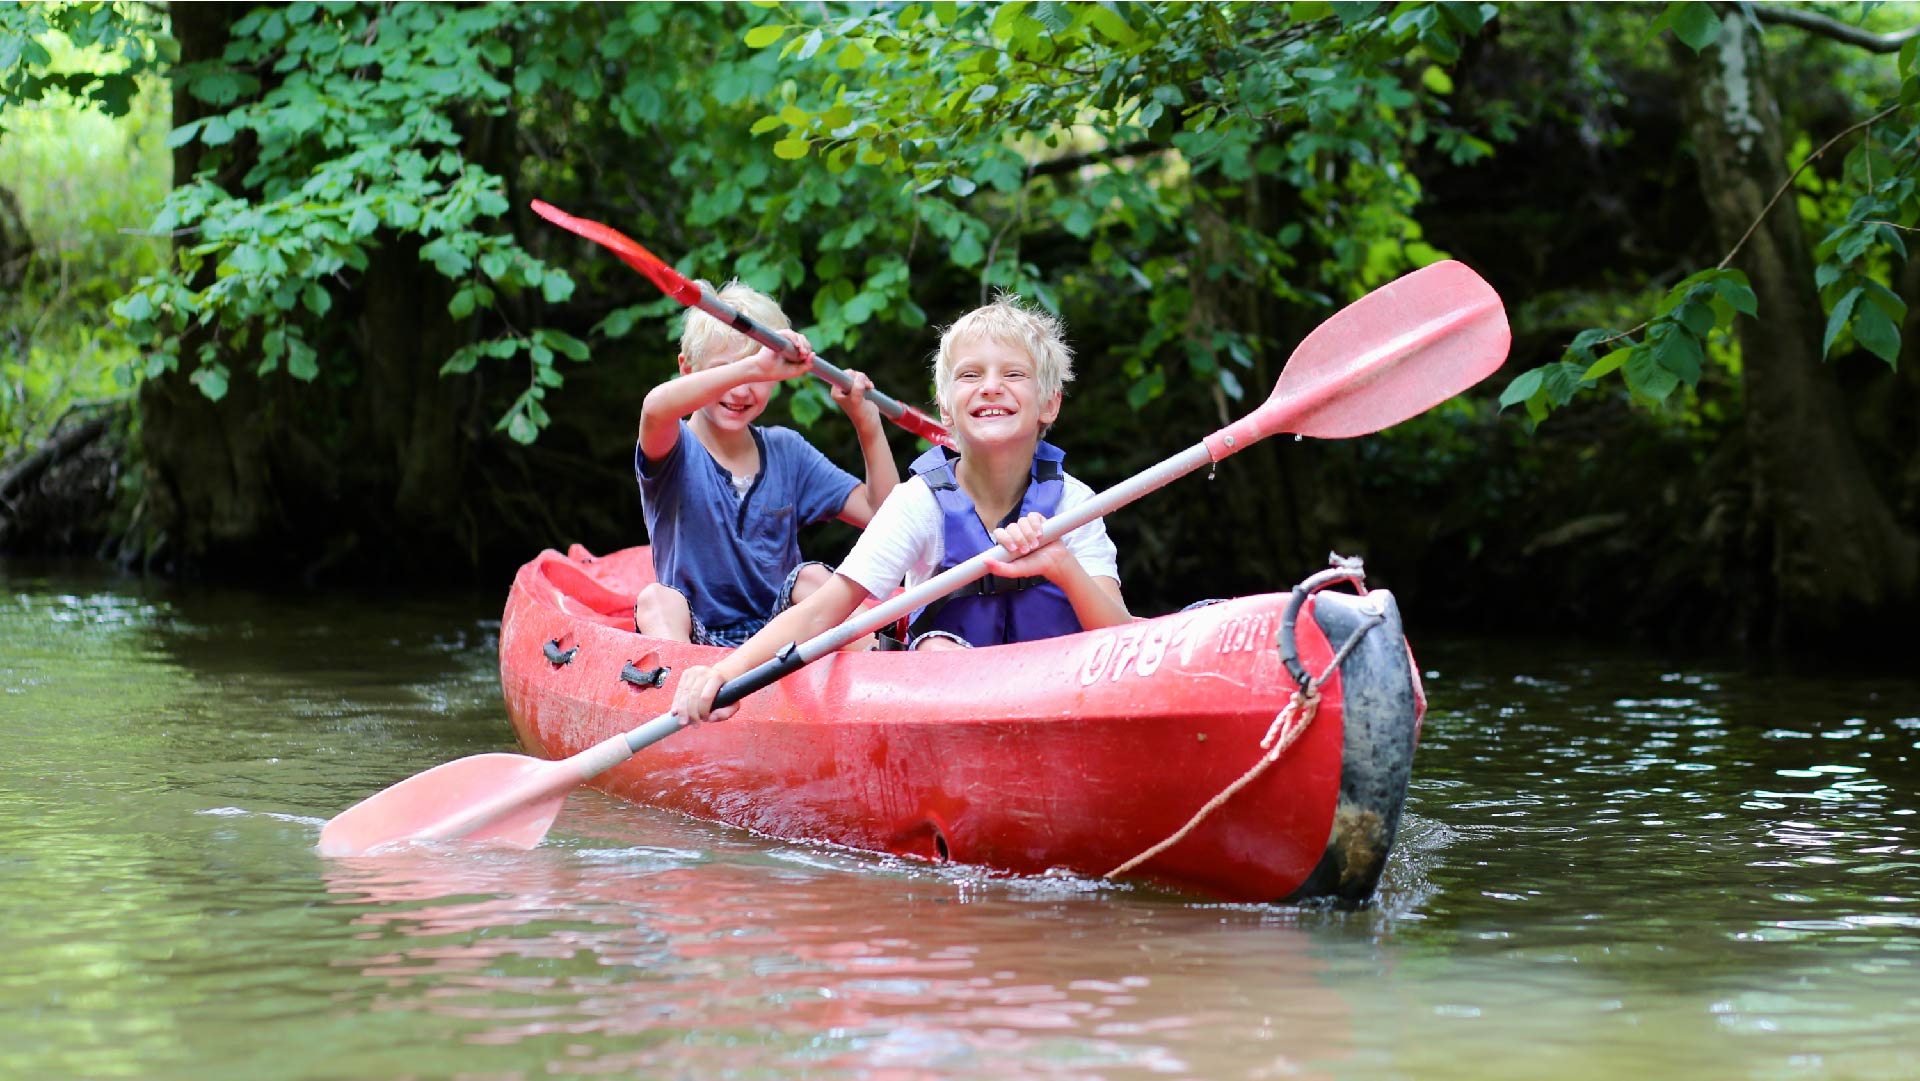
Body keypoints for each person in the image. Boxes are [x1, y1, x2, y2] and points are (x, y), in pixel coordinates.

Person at [670, 294, 1129, 724]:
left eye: (1013, 375)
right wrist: (725, 674)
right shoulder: (919, 502)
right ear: (945, 410)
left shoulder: (1074, 502)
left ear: (1049, 403)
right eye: (970, 375)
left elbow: (1119, 636)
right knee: (938, 648)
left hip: (1064, 695)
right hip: (954, 707)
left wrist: (1060, 565)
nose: (991, 388)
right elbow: (821, 612)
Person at [631, 280, 898, 646]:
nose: (742, 391)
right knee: (657, 601)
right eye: (728, 370)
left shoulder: (787, 450)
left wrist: (867, 424)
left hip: (781, 639)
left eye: (760, 376)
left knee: (813, 579)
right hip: (697, 636)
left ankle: (887, 663)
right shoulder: (673, 444)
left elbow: (885, 517)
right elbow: (655, 407)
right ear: (688, 370)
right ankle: (682, 687)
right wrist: (753, 367)